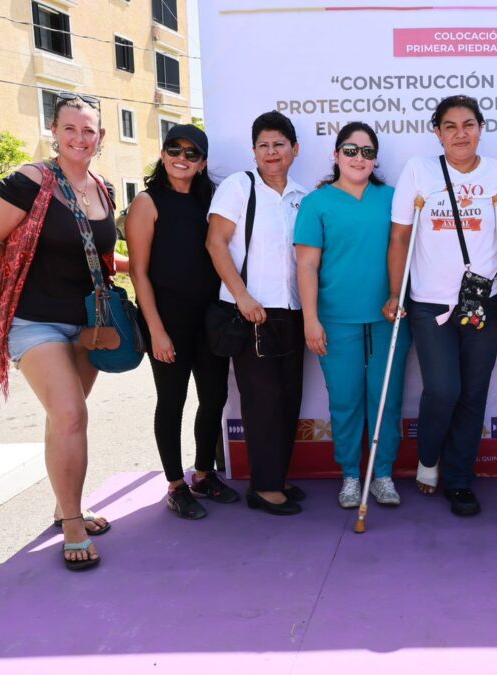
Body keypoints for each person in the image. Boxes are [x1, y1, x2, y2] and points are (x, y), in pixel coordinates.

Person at [0, 92, 115, 570]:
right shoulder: (31, 181)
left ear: (101, 137)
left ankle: (62, 503)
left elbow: (100, 257)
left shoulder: (103, 187)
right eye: (70, 128)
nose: (79, 137)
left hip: (89, 323)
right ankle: (72, 521)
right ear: (54, 131)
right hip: (37, 320)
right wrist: (23, 273)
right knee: (70, 413)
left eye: (88, 129)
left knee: (65, 416)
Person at [385, 95, 497, 517]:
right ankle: (429, 458)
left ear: (480, 128)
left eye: (468, 124)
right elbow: (400, 238)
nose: (460, 133)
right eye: (450, 126)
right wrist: (396, 292)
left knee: (473, 393)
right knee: (444, 388)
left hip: (484, 300)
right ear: (438, 132)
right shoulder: (419, 171)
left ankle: (460, 478)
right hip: (430, 301)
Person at [295, 122, 409, 509]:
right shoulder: (317, 203)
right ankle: (350, 475)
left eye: (366, 151)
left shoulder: (394, 198)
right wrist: (311, 319)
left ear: (375, 159)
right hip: (335, 320)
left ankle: (382, 474)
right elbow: (307, 266)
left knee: (387, 399)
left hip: (388, 318)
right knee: (344, 400)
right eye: (350, 149)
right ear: (336, 154)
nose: (358, 158)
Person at [126, 124, 237, 520]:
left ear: (203, 162)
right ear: (163, 152)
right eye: (176, 148)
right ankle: (175, 484)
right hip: (167, 319)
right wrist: (155, 329)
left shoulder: (212, 199)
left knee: (215, 398)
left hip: (209, 317)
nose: (183, 158)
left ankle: (203, 474)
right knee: (172, 401)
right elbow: (138, 272)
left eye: (192, 153)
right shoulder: (147, 202)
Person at [206, 111, 308, 516]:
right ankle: (264, 488)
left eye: (279, 144)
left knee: (288, 398)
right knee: (262, 401)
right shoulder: (239, 186)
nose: (271, 152)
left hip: (292, 312)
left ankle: (277, 476)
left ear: (294, 149)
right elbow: (216, 243)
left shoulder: (302, 196)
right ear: (254, 151)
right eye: (263, 145)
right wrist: (243, 296)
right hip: (251, 311)